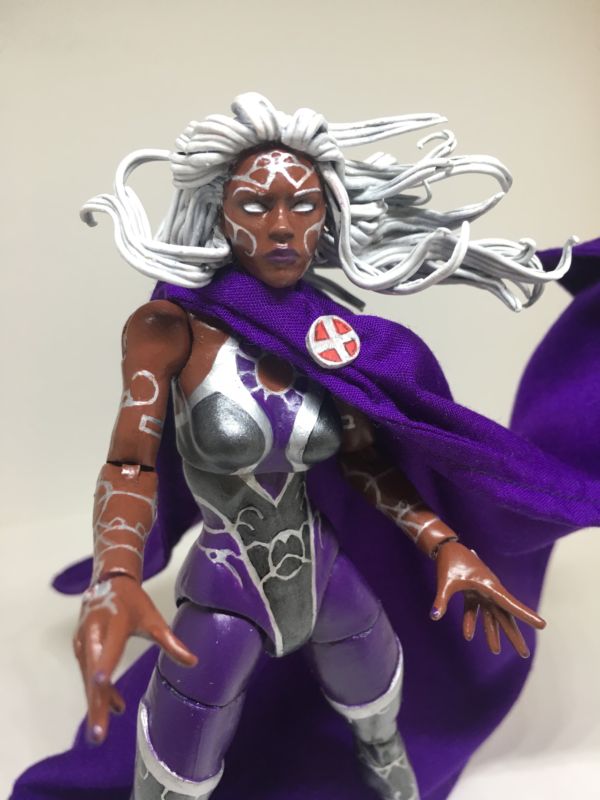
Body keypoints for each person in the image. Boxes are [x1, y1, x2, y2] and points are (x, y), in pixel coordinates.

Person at [11, 95, 598, 800]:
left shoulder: (328, 339)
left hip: (329, 579)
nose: (283, 226)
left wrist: (446, 544)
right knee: (173, 776)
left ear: (328, 216)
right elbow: (130, 463)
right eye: (256, 205)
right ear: (220, 212)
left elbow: (363, 462)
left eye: (304, 204)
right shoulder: (170, 329)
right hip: (227, 591)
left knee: (382, 733)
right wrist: (116, 576)